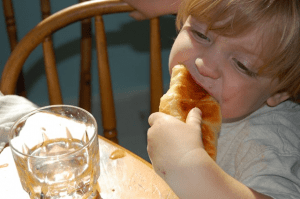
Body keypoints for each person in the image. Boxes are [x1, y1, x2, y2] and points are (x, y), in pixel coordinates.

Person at [124, 0, 300, 198]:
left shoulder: (272, 145)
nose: (205, 65)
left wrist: (189, 166)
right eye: (200, 35)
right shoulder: (209, 94)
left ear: (278, 93)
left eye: (241, 65)